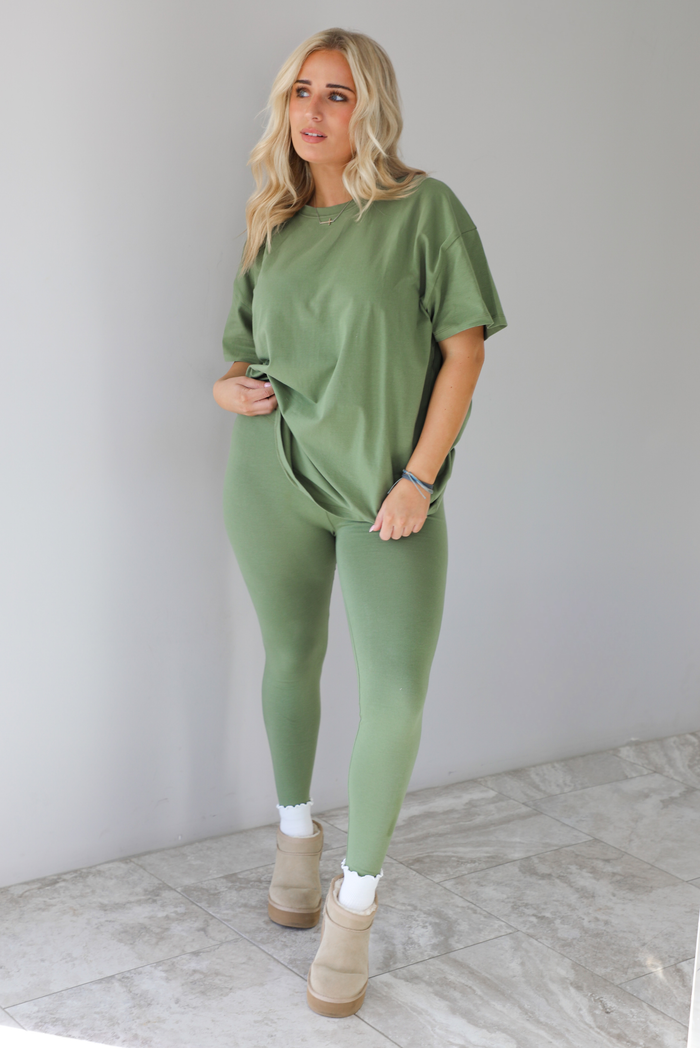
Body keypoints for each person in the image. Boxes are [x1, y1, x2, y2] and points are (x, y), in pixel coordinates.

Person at [213, 27, 507, 1018]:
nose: (313, 111)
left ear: (369, 107)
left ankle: (354, 907)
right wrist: (227, 388)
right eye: (302, 91)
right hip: (271, 476)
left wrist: (419, 478)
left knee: (392, 695)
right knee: (289, 657)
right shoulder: (274, 219)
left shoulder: (425, 210)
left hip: (388, 494)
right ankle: (295, 843)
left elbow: (464, 351)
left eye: (336, 94)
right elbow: (244, 350)